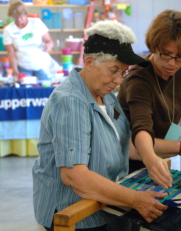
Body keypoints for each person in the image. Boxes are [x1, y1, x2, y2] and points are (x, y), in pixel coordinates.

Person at [32, 20, 169, 231]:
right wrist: (135, 199)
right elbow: (74, 175)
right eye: (114, 70)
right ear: (89, 63)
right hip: (78, 214)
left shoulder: (105, 95)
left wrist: (151, 158)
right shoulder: (71, 101)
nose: (119, 80)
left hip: (106, 205)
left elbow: (123, 144)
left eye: (122, 73)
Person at [117, 10, 181, 188]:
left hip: (156, 160)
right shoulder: (139, 78)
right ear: (154, 46)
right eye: (166, 54)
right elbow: (141, 130)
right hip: (127, 167)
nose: (172, 63)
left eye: (180, 57)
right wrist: (154, 159)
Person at [3, 0, 57, 79]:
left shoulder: (36, 23)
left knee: (46, 86)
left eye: (20, 16)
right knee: (25, 88)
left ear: (25, 13)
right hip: (23, 66)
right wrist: (15, 71)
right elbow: (11, 54)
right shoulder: (9, 30)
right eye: (15, 17)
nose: (18, 20)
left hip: (41, 65)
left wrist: (48, 46)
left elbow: (50, 41)